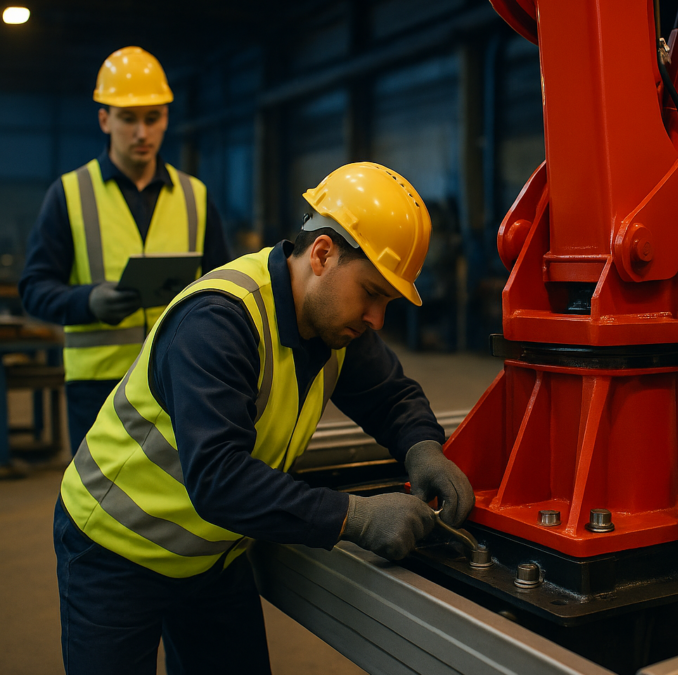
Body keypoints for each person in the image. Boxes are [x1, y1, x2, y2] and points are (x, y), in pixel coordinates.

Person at [53, 162, 475, 674]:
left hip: (212, 556)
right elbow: (220, 480)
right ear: (322, 254)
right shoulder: (219, 322)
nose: (377, 320)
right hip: (114, 551)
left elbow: (389, 395)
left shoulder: (334, 324)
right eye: (371, 293)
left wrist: (423, 448)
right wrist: (354, 517)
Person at [18, 46, 231, 455]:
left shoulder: (196, 197)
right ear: (104, 119)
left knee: (180, 502)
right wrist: (88, 300)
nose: (141, 133)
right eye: (128, 119)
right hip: (98, 388)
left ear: (166, 118)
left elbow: (225, 287)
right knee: (97, 507)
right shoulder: (68, 195)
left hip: (180, 379)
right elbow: (33, 288)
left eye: (153, 119)